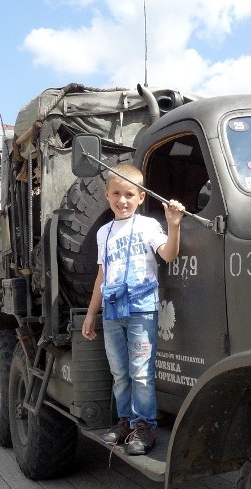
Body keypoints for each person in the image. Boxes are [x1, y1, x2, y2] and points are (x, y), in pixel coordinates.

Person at [81, 163, 184, 455]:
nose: (122, 200)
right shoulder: (104, 233)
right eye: (116, 193)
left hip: (141, 309)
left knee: (141, 373)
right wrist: (91, 313)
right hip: (113, 311)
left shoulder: (149, 226)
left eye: (129, 194)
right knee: (120, 372)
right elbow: (102, 276)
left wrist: (173, 225)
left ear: (140, 197)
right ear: (106, 195)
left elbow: (169, 254)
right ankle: (125, 421)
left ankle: (145, 426)